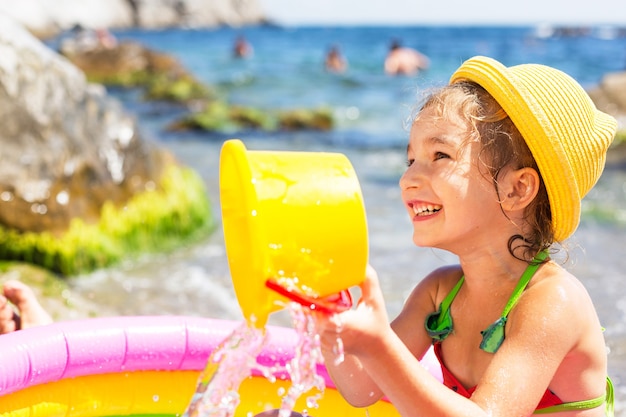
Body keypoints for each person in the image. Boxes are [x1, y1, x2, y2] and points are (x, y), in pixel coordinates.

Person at [312, 56, 616, 416]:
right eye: (411, 160)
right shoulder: (439, 293)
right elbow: (362, 388)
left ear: (517, 190)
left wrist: (379, 345)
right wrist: (332, 318)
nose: (408, 179)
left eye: (440, 155)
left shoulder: (553, 301)